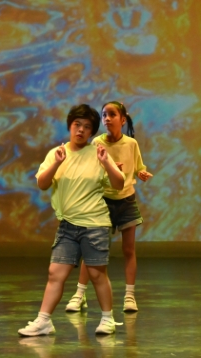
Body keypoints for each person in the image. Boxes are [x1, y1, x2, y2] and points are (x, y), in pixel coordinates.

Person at [18, 104, 124, 336]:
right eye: (77, 124)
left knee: (97, 274)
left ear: (92, 132)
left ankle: (107, 319)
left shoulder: (98, 153)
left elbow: (119, 184)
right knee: (55, 273)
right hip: (67, 226)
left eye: (87, 127)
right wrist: (57, 162)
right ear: (70, 126)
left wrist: (107, 162)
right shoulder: (56, 153)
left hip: (94, 225)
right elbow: (42, 183)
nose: (81, 130)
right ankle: (44, 321)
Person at [65, 101, 153, 313]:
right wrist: (109, 169)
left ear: (122, 120)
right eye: (104, 115)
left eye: (112, 114)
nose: (107, 119)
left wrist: (140, 173)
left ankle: (129, 296)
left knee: (128, 249)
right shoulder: (97, 142)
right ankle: (79, 295)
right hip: (102, 201)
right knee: (91, 249)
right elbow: (92, 170)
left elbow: (138, 166)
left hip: (126, 200)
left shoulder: (131, 144)